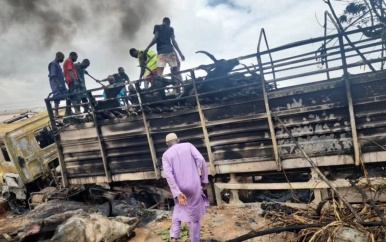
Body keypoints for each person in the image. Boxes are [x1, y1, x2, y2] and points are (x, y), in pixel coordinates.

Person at [162, 133, 209, 242]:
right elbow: (201, 160)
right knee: (194, 218)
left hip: (179, 188)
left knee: (179, 208)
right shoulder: (188, 146)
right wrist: (204, 179)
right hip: (193, 185)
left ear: (167, 144)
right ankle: (194, 240)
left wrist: (177, 192)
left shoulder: (166, 155)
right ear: (178, 140)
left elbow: (168, 175)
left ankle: (174, 236)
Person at [144, 17, 185, 88]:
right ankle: (175, 90)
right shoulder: (170, 29)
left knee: (159, 75)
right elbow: (173, 41)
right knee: (175, 72)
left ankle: (160, 91)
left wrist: (147, 48)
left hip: (161, 52)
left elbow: (156, 38)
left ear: (163, 21)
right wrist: (180, 53)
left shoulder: (157, 27)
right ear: (168, 23)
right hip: (170, 51)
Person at [48, 52, 69, 117]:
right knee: (57, 97)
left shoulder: (57, 64)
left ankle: (68, 112)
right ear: (58, 56)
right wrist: (59, 84)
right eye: (62, 58)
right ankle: (56, 113)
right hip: (56, 85)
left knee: (67, 96)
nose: (62, 60)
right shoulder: (53, 64)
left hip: (61, 84)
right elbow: (53, 76)